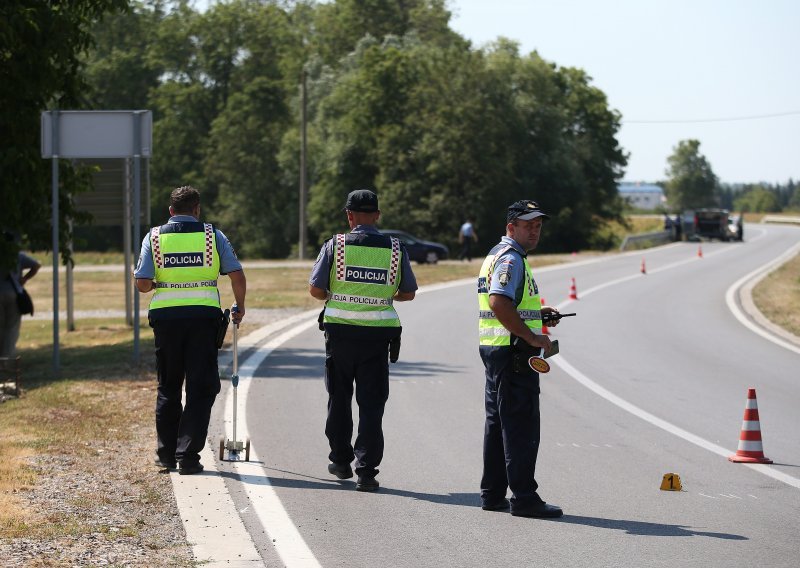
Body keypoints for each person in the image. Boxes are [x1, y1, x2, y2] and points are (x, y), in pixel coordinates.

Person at [309, 189, 418, 492]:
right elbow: (408, 292)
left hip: (340, 334)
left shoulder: (336, 246)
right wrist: (385, 296)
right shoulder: (395, 249)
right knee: (372, 405)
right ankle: (367, 471)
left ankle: (341, 460)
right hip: (377, 338)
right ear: (378, 215)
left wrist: (337, 295)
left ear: (349, 216)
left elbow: (316, 290)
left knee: (339, 398)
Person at [134, 186, 246, 475]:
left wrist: (160, 285)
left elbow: (142, 283)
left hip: (166, 320)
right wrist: (239, 306)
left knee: (168, 386)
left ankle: (166, 455)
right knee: (201, 387)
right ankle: (188, 456)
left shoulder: (154, 237)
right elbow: (236, 274)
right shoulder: (213, 236)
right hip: (202, 319)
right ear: (197, 209)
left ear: (171, 211)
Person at [477, 199, 563, 518]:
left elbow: (507, 303)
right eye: (528, 225)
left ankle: (493, 493)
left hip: (499, 350)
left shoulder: (502, 256)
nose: (535, 230)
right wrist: (531, 335)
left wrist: (536, 315)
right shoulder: (511, 259)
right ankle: (525, 498)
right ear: (511, 227)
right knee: (521, 427)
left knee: (498, 424)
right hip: (513, 352)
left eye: (538, 225)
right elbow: (499, 302)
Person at [0, 232, 40, 358]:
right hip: (13, 293)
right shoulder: (18, 256)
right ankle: (7, 359)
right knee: (11, 328)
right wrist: (25, 278)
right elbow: (36, 265)